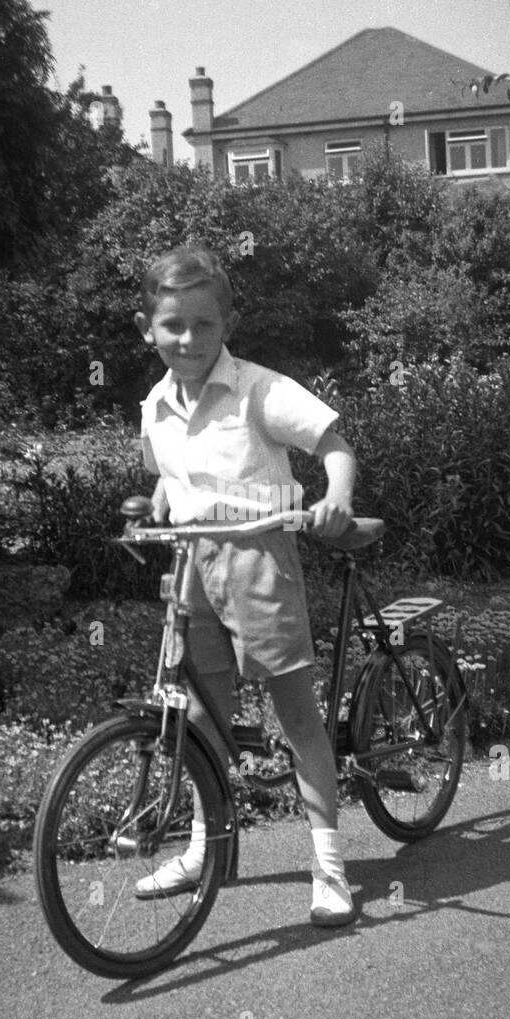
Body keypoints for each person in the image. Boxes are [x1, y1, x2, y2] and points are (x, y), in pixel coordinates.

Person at [133, 246, 357, 926]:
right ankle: (207, 848)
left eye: (204, 324)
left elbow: (335, 443)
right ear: (148, 329)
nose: (189, 339)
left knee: (294, 715)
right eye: (173, 325)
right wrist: (160, 499)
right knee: (200, 716)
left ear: (225, 324)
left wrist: (336, 497)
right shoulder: (154, 405)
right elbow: (169, 472)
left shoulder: (260, 389)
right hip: (191, 564)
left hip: (259, 557)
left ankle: (329, 869)